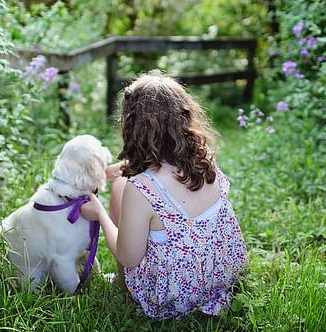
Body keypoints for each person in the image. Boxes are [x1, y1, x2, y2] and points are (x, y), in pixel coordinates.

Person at [81, 73, 248, 319]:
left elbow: (129, 257)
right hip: (221, 277)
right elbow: (168, 178)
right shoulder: (205, 160)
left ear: (133, 126)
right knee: (125, 185)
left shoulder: (140, 188)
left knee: (119, 187)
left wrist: (101, 215)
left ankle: (123, 283)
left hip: (172, 296)